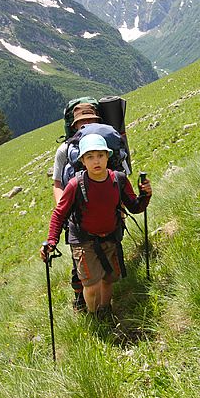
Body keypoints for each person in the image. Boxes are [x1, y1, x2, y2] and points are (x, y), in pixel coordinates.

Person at [41, 133, 152, 321]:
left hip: (111, 237)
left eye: (100, 155)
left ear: (107, 156)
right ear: (82, 161)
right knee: (91, 285)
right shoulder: (75, 185)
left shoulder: (119, 179)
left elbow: (135, 207)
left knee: (109, 280)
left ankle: (105, 311)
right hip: (84, 241)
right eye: (90, 157)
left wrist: (145, 195)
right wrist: (52, 241)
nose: (96, 161)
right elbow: (59, 213)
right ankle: (95, 317)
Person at [52, 101, 102, 312]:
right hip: (76, 218)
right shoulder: (64, 150)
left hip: (105, 211)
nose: (86, 125)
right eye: (82, 122)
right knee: (79, 262)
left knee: (107, 252)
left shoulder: (104, 146)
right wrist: (63, 211)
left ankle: (102, 300)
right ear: (73, 125)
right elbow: (57, 183)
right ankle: (80, 298)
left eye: (90, 120)